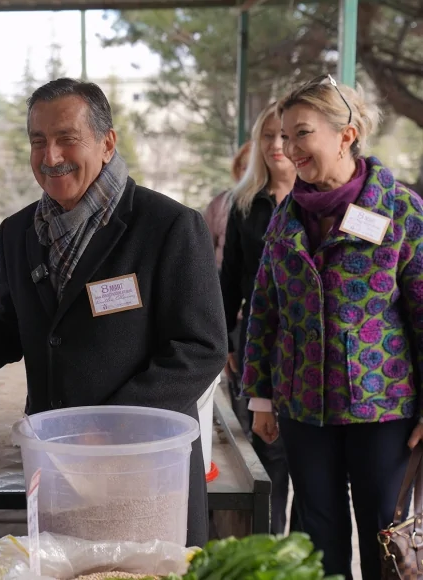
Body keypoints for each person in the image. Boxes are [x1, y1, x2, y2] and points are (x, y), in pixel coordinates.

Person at [0, 78, 227, 547]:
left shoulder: (168, 227)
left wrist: (109, 426)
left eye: (67, 139)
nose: (51, 157)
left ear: (107, 143)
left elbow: (201, 347)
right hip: (56, 466)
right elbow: (16, 325)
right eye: (38, 141)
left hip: (144, 467)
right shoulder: (18, 233)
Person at [242, 74, 423, 579]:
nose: (287, 147)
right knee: (316, 534)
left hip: (382, 406)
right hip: (302, 406)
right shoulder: (286, 215)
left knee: (385, 532)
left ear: (346, 134)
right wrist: (260, 397)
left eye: (302, 133)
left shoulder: (401, 209)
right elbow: (265, 308)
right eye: (282, 135)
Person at [220, 103, 299, 535]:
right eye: (266, 136)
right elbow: (228, 281)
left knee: (313, 468)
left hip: (311, 349)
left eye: (284, 135)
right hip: (259, 345)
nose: (275, 145)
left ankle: (310, 558)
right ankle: (270, 555)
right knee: (268, 455)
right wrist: (227, 344)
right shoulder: (245, 204)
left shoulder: (322, 201)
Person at [203, 140, 251, 269]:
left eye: (255, 168)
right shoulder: (221, 203)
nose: (250, 175)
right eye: (245, 168)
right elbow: (203, 249)